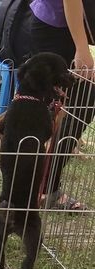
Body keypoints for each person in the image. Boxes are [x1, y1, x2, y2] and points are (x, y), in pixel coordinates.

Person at [30, 0, 94, 210]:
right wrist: (82, 47)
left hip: (78, 28)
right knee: (59, 110)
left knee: (80, 109)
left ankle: (45, 187)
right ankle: (40, 190)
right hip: (58, 28)